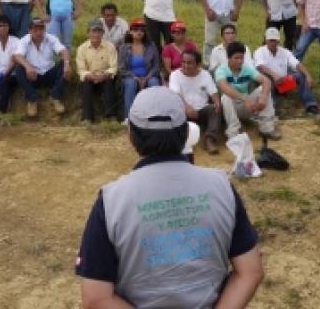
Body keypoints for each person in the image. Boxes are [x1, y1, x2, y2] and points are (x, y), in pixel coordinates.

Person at [75, 87, 263, 307]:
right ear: (185, 133)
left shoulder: (111, 200)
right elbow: (250, 271)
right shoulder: (221, 186)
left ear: (131, 135)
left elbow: (96, 298)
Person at [216, 41, 281, 140]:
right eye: (236, 58)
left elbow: (266, 81)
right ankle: (234, 132)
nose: (239, 61)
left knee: (263, 90)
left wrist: (263, 97)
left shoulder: (246, 69)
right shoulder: (221, 70)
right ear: (229, 58)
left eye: (241, 57)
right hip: (229, 108)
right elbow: (224, 87)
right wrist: (244, 98)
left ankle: (266, 128)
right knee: (226, 97)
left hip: (247, 107)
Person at [254, 27, 319, 116]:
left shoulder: (285, 52)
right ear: (266, 40)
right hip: (268, 84)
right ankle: (272, 107)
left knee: (300, 76)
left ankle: (311, 105)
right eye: (270, 40)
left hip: (283, 83)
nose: (273, 43)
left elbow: (297, 64)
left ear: (278, 41)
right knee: (267, 79)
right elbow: (260, 67)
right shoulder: (259, 51)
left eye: (275, 40)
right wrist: (274, 75)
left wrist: (308, 75)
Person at [13, 17, 71, 118]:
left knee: (65, 65)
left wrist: (66, 64)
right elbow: (17, 56)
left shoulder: (51, 38)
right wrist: (28, 67)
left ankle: (55, 96)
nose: (39, 32)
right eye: (35, 30)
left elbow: (64, 51)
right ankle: (32, 99)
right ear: (30, 30)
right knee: (19, 68)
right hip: (33, 75)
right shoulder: (24, 40)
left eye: (41, 29)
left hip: (49, 73)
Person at [169, 49, 222, 154]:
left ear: (198, 64)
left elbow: (213, 92)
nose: (185, 65)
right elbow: (175, 94)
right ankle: (181, 141)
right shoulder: (175, 75)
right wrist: (187, 107)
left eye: (189, 63)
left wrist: (217, 102)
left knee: (214, 108)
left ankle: (209, 140)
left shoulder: (205, 74)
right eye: (183, 62)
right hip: (183, 110)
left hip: (202, 109)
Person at [118, 19, 162, 121]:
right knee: (130, 84)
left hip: (149, 76)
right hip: (130, 76)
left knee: (154, 83)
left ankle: (155, 115)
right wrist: (135, 77)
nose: (139, 32)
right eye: (136, 30)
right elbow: (122, 68)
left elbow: (156, 66)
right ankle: (129, 117)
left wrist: (147, 77)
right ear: (130, 32)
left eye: (141, 30)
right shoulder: (124, 48)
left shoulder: (151, 46)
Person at [76, 19, 118, 123]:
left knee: (109, 83)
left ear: (103, 33)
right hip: (90, 77)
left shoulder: (110, 46)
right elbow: (81, 69)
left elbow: (114, 66)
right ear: (88, 32)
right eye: (93, 31)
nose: (96, 34)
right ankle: (87, 117)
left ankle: (110, 116)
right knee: (86, 84)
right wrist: (90, 75)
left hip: (105, 76)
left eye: (99, 31)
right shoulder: (82, 48)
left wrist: (104, 75)